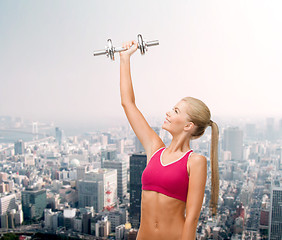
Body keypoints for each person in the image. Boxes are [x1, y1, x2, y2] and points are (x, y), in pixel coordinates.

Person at [119, 40, 219, 240]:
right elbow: (128, 103)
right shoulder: (155, 148)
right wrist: (125, 59)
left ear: (188, 125)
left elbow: (191, 219)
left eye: (175, 111)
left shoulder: (195, 162)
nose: (168, 112)